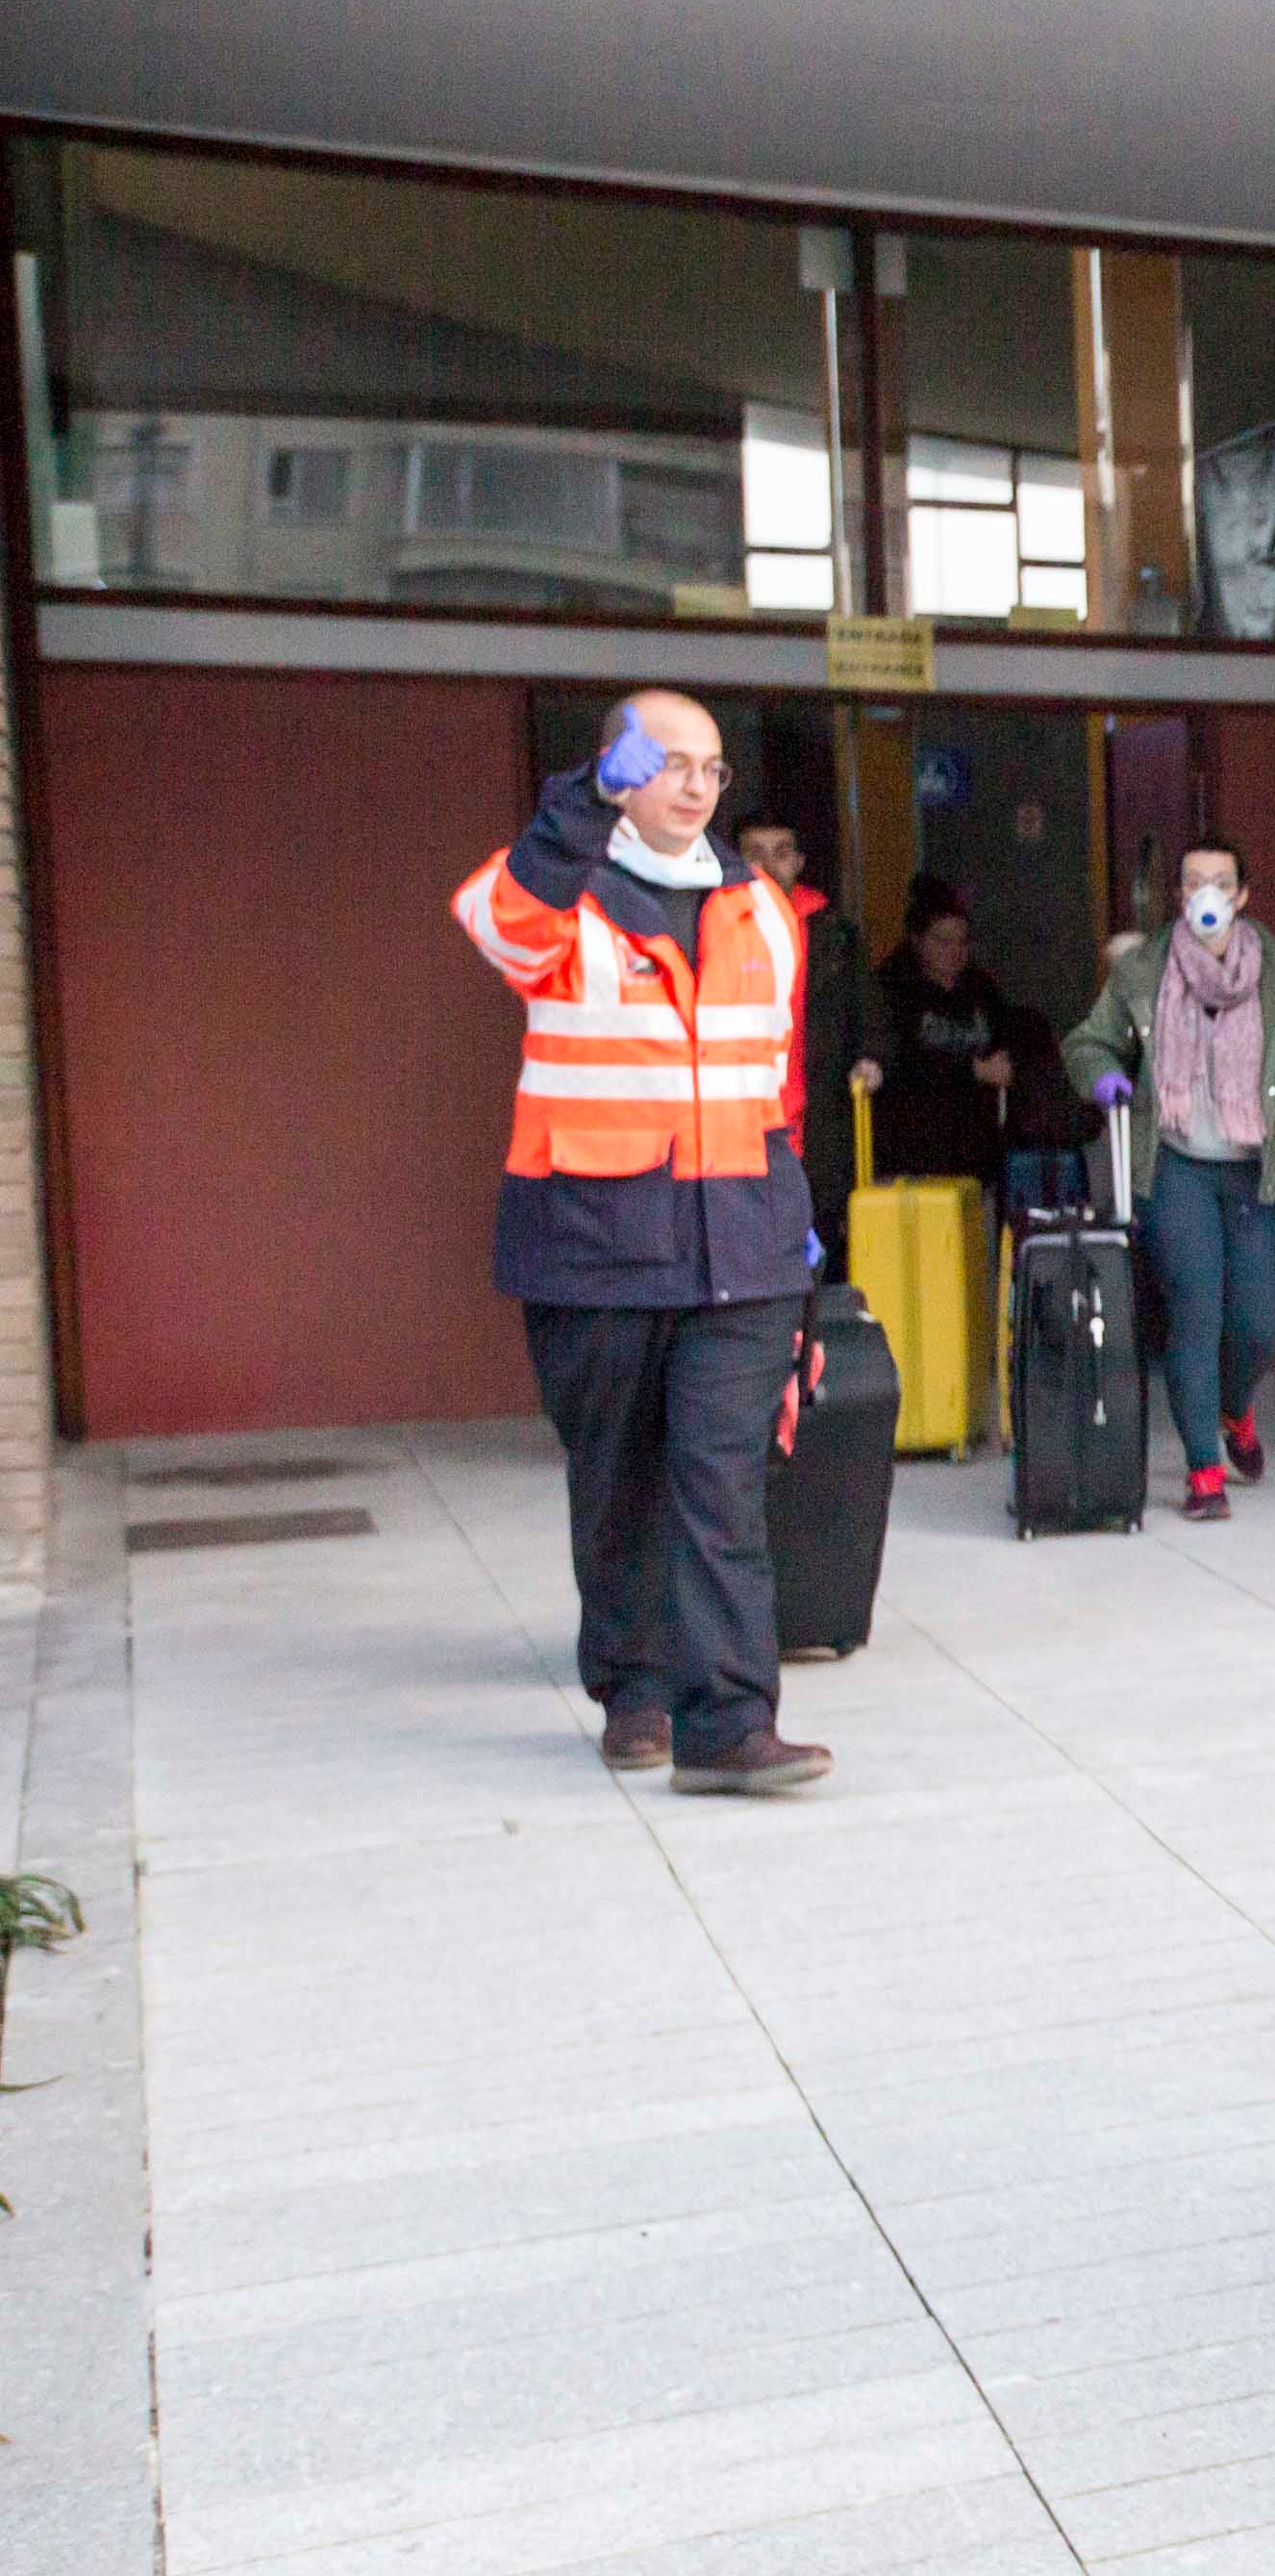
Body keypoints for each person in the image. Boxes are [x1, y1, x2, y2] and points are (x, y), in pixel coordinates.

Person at [450, 689, 834, 1793]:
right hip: (596, 1248)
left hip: (742, 1250)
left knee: (722, 1484)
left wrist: (797, 1245)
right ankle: (634, 1686)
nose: (695, 784)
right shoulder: (561, 894)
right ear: (620, 768)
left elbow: (771, 1087)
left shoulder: (760, 906)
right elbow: (495, 922)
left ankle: (729, 1727)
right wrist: (580, 803)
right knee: (618, 1480)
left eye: (710, 767)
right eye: (668, 761)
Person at [1063, 838, 1275, 1521]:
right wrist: (1103, 1074)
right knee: (1195, 1315)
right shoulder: (1143, 973)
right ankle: (1204, 1470)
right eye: (1193, 883)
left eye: (1220, 882)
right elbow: (1087, 1040)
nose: (1206, 894)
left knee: (1256, 1324)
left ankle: (1236, 1409)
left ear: (1243, 895)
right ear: (1179, 897)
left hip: (1255, 1174)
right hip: (1176, 1167)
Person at [737, 818, 865, 1270]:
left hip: (819, 1119)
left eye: (781, 851)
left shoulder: (833, 932)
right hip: (741, 1122)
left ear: (799, 862)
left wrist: (871, 1060)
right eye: (756, 852)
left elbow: (865, 1012)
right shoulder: (714, 926)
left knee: (824, 1251)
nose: (769, 864)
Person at [861, 875, 1017, 1191]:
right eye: (943, 941)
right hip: (912, 1153)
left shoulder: (980, 989)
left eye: (962, 942)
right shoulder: (893, 988)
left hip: (975, 1153)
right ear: (918, 941)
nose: (954, 951)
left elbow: (1008, 1041)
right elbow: (898, 1060)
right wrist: (972, 1070)